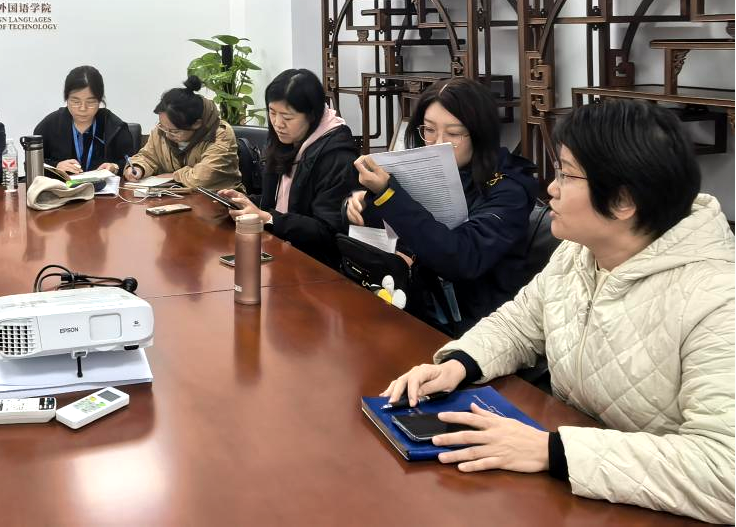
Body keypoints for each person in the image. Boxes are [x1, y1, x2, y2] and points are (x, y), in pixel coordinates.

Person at [383, 100, 734, 523]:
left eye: (567, 174)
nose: (550, 187)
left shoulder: (718, 299)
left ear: (623, 200)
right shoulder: (579, 253)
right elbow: (519, 323)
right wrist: (458, 364)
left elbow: (724, 470)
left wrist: (554, 451)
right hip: (583, 492)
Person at [345, 77, 538, 334]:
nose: (438, 143)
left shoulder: (509, 190)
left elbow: (462, 257)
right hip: (417, 306)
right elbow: (404, 230)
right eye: (429, 130)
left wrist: (389, 196)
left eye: (454, 134)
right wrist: (363, 206)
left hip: (479, 327)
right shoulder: (424, 170)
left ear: (480, 134)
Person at [219, 68, 358, 269]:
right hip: (279, 252)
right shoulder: (285, 141)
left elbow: (328, 232)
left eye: (287, 117)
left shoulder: (337, 156)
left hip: (317, 267)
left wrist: (269, 219)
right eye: (272, 112)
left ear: (312, 115)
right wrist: (246, 202)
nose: (277, 124)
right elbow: (282, 200)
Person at [124, 75, 243, 192]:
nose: (167, 134)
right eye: (162, 126)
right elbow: (148, 157)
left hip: (220, 199)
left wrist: (173, 176)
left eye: (175, 131)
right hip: (173, 197)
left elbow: (204, 178)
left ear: (196, 124)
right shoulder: (162, 130)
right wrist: (138, 168)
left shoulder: (220, 134)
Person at [33, 66, 137, 176]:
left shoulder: (115, 127)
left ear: (100, 100)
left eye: (90, 102)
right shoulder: (49, 126)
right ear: (67, 98)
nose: (83, 108)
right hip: (61, 186)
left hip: (103, 186)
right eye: (75, 102)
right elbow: (31, 164)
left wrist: (115, 168)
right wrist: (56, 166)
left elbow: (132, 162)